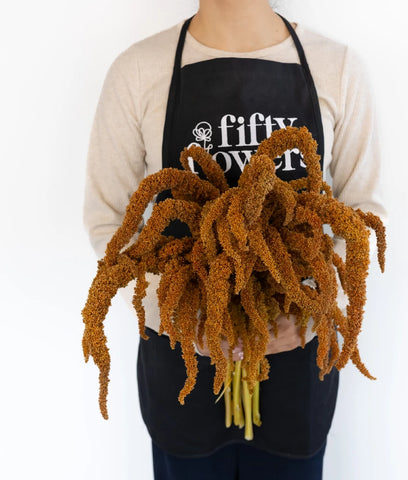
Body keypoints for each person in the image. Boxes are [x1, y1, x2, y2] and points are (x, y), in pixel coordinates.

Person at [83, 0, 388, 478]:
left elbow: (363, 213)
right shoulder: (138, 70)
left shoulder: (338, 67)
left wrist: (310, 314)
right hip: (182, 358)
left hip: (298, 362)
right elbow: (109, 219)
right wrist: (177, 315)